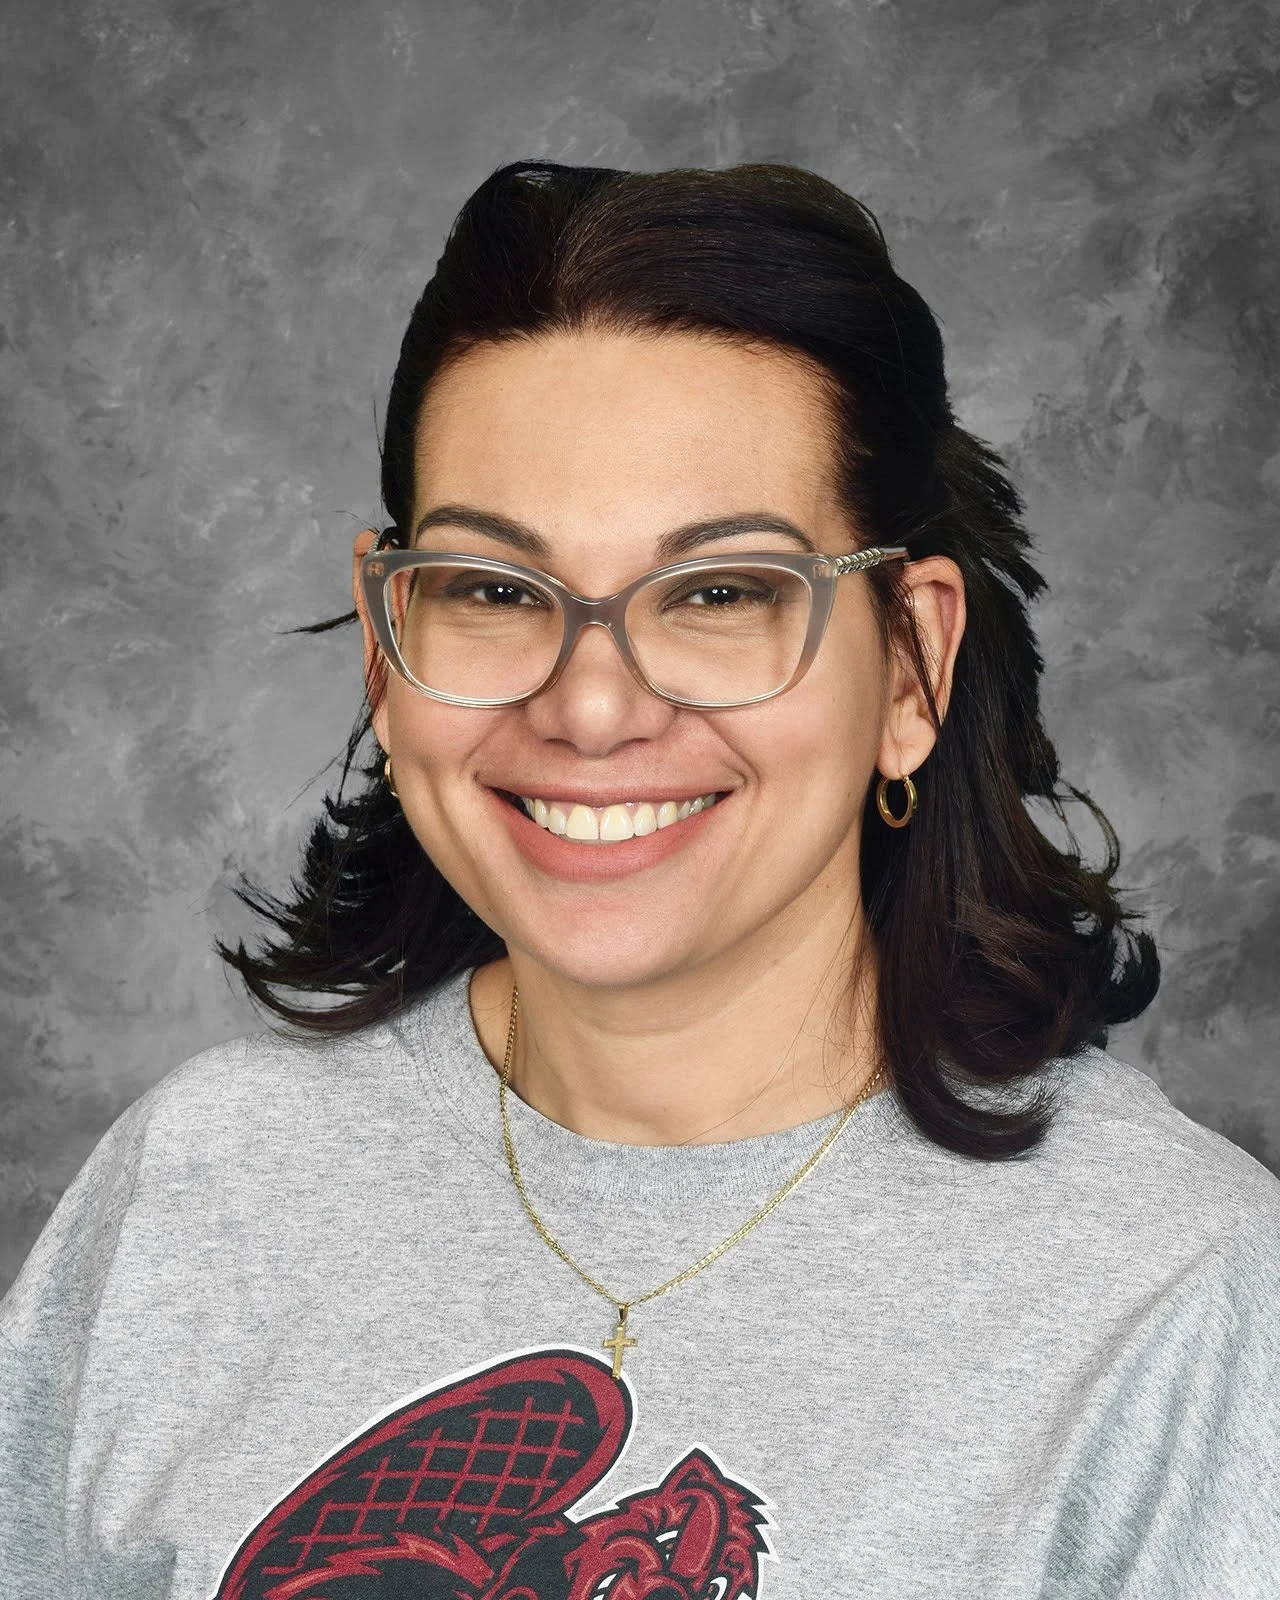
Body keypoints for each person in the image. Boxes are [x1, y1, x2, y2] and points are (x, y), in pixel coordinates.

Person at [1, 158, 1276, 1600]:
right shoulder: (197, 1188)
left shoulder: (1173, 1292)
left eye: (721, 593)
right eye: (494, 590)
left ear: (912, 666)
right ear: (385, 642)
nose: (592, 708)